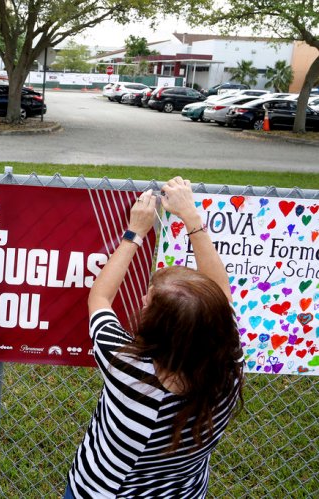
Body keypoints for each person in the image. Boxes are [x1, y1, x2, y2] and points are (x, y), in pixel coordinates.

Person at [65, 177, 243, 498]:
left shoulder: (128, 369)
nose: (144, 299)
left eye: (149, 302)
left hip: (101, 491)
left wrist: (135, 233)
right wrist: (191, 218)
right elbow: (222, 298)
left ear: (158, 329)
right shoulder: (227, 371)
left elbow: (100, 299)